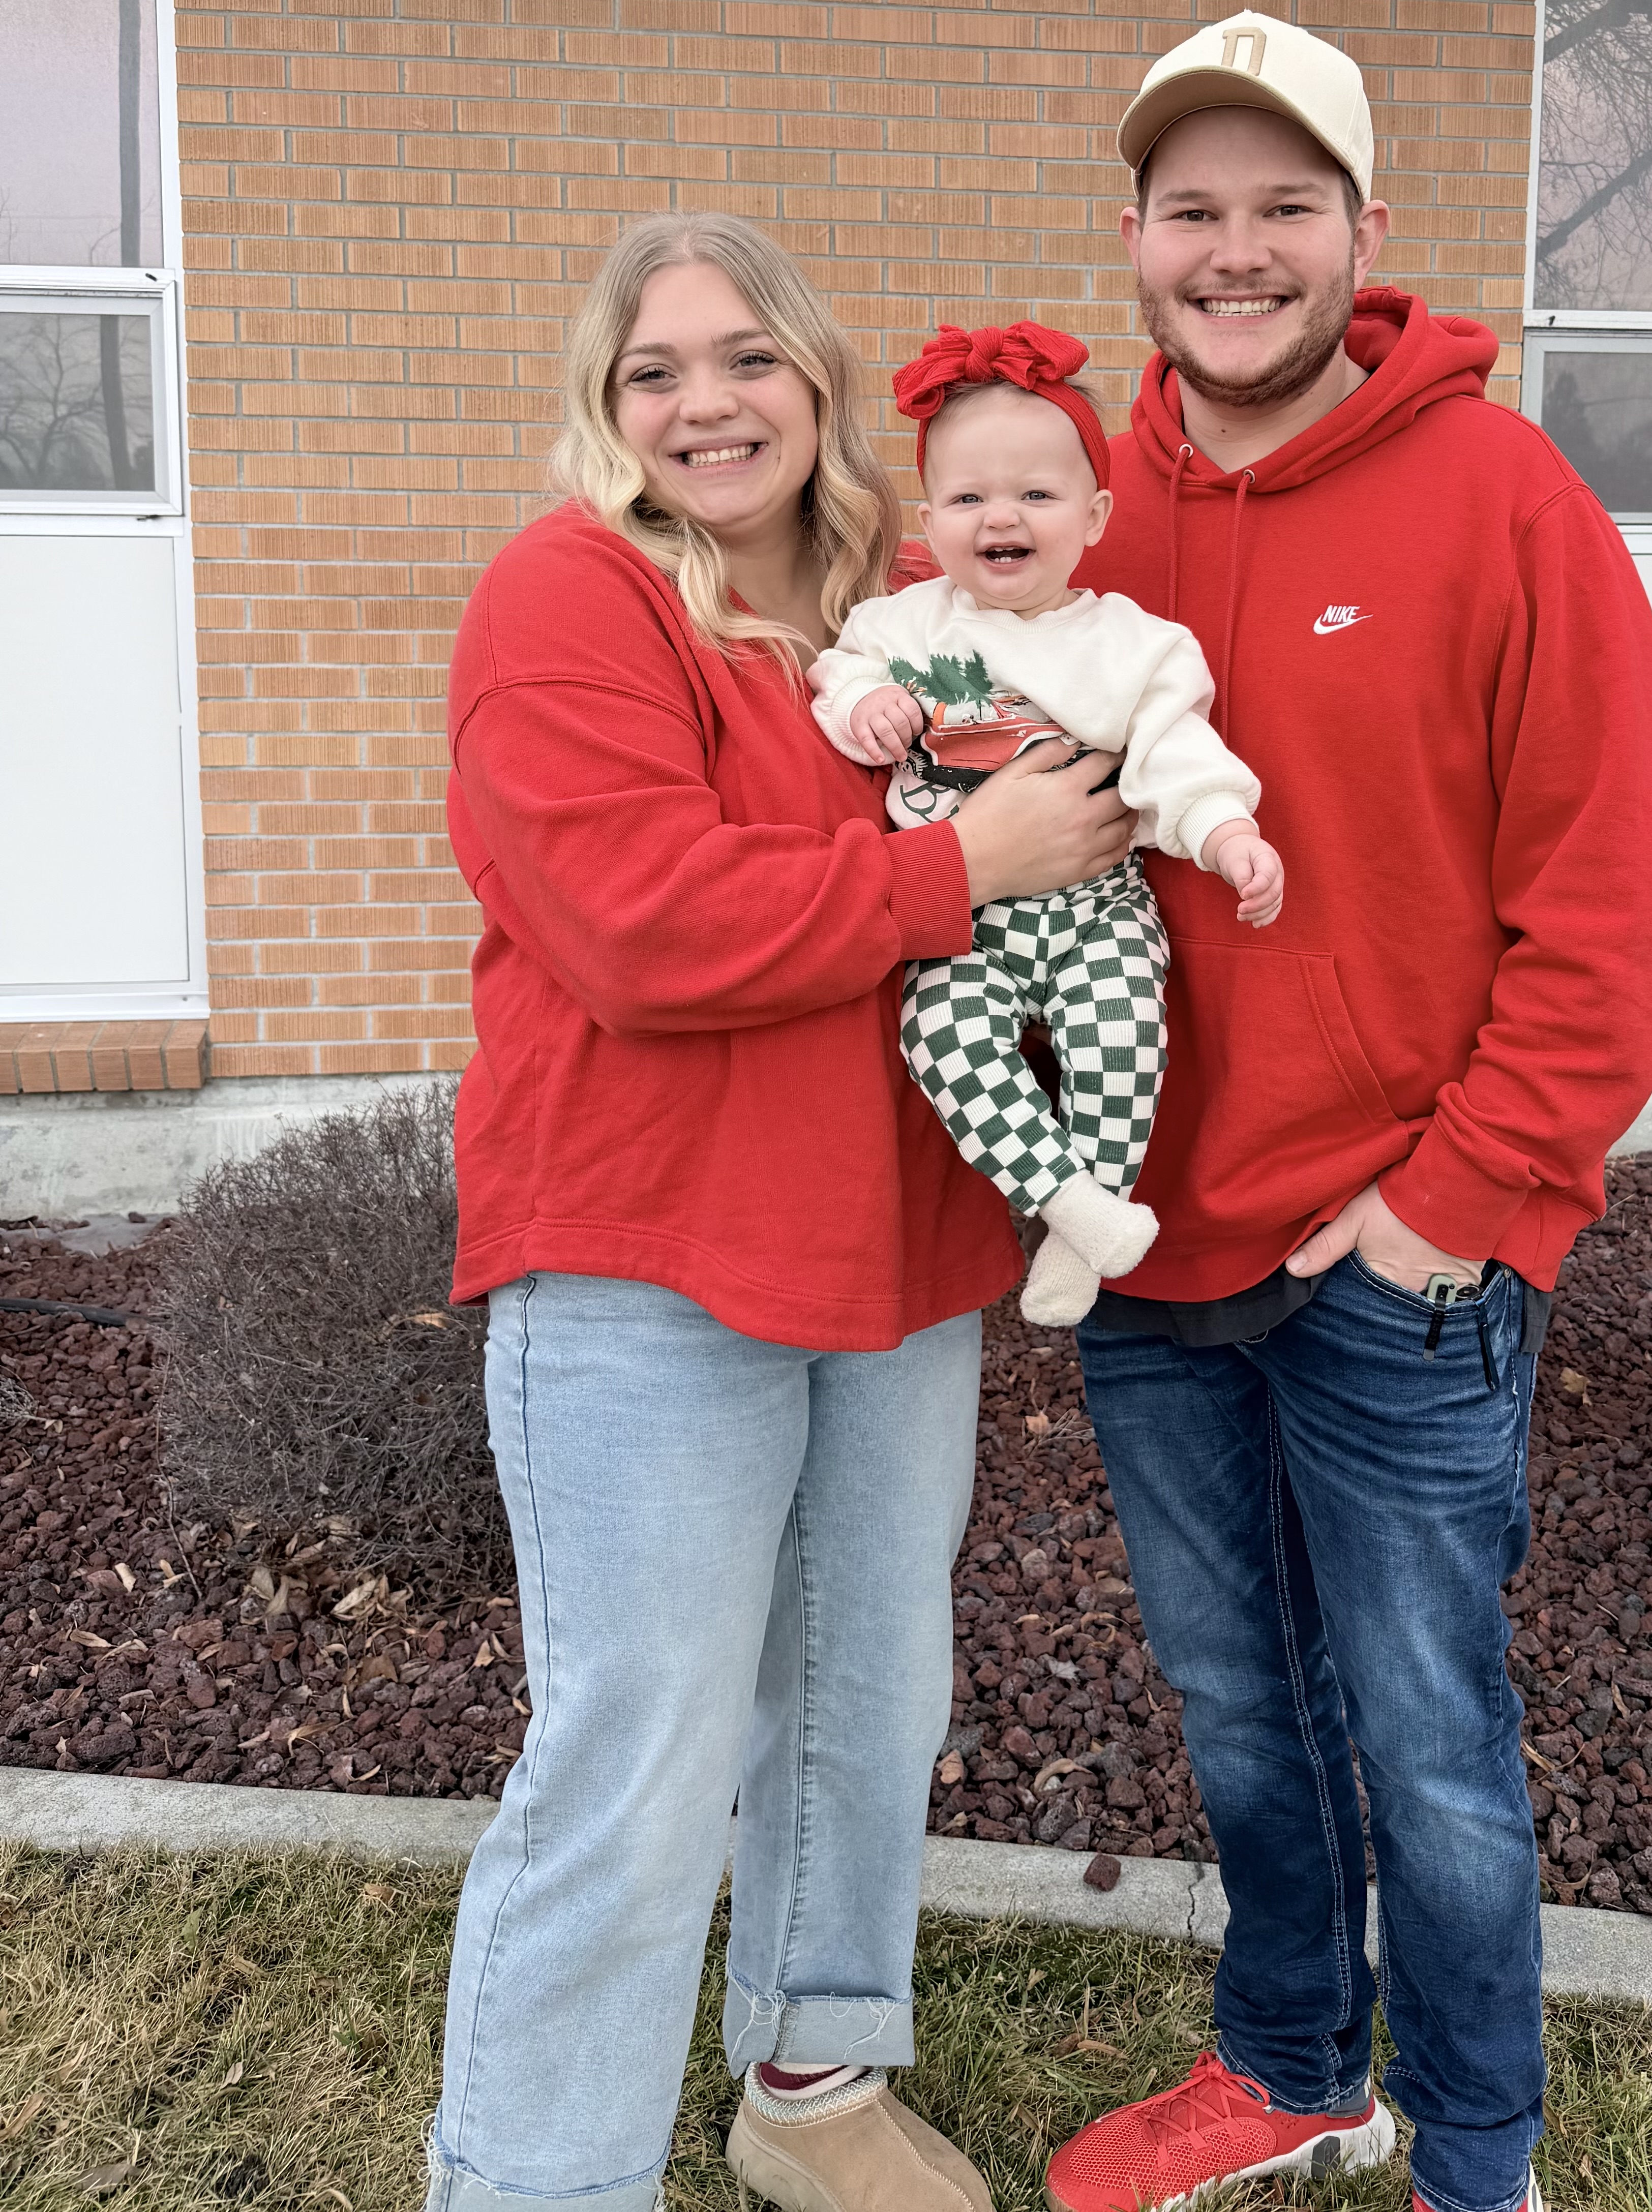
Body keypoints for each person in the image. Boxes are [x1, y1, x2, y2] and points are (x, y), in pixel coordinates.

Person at [1043, 15, 1652, 2212]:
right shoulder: (1075, 507)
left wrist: (1460, 1199)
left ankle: (1478, 2163)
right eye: (1194, 212)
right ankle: (1296, 2062)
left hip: (1398, 1260)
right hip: (1150, 1250)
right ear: (1133, 238)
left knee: (1431, 1747)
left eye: (1283, 209)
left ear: (1363, 234)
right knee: (1242, 1720)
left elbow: (1605, 904)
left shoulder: (1505, 501)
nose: (1236, 255)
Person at [427, 213, 1135, 2212]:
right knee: (637, 1778)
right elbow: (639, 925)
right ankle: (531, 2184)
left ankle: (811, 2088)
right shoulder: (569, 600)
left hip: (889, 1258)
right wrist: (965, 872)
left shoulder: (903, 611)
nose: (702, 403)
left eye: (743, 358)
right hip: (647, 1254)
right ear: (608, 413)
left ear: (813, 384)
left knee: (864, 1695)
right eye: (653, 373)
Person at [807, 318, 1282, 1327]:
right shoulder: (901, 629)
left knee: (1122, 1044)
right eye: (969, 497)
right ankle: (1073, 1204)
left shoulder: (1135, 646)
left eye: (1035, 494)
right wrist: (864, 709)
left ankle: (1080, 1235)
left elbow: (1176, 755)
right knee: (941, 1038)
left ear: (1095, 513)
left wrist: (1228, 832)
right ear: (929, 518)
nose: (1000, 518)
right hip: (964, 917)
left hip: (1096, 905)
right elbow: (836, 674)